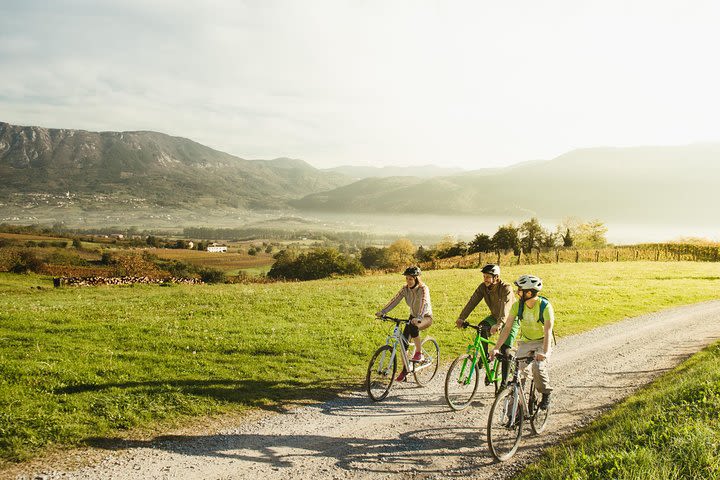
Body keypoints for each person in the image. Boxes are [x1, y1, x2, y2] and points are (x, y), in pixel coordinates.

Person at [491, 274, 555, 409]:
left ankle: (545, 393)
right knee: (517, 375)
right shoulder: (517, 306)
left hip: (542, 342)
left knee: (538, 367)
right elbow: (507, 328)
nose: (517, 292)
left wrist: (546, 352)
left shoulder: (545, 306)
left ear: (529, 293)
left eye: (519, 290)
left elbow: (548, 331)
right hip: (526, 342)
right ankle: (515, 413)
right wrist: (497, 347)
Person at [455, 264, 517, 383]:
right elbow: (472, 302)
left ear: (496, 277)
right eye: (484, 276)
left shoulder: (506, 288)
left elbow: (506, 307)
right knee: (482, 328)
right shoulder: (483, 287)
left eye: (488, 277)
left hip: (511, 319)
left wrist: (500, 323)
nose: (485, 279)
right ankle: (485, 358)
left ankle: (504, 384)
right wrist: (461, 318)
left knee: (505, 352)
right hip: (495, 317)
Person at [376, 266, 433, 382]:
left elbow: (424, 303)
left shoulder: (423, 289)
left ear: (416, 279)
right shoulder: (405, 289)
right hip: (413, 317)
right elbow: (395, 300)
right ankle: (406, 369)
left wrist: (419, 318)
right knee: (403, 343)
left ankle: (419, 352)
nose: (408, 281)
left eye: (410, 279)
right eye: (407, 278)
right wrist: (383, 312)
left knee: (413, 326)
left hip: (425, 317)